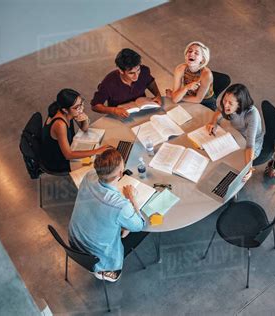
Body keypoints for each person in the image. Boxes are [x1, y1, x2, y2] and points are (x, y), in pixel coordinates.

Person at [69, 149, 145, 282]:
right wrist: (132, 198)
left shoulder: (89, 176)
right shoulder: (121, 206)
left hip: (74, 240)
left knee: (121, 225)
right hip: (96, 257)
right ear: (121, 173)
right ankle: (108, 270)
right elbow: (140, 225)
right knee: (142, 231)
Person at [41, 88, 110, 173]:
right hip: (58, 160)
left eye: (81, 103)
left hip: (67, 148)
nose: (81, 108)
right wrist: (96, 151)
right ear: (65, 110)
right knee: (94, 164)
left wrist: (85, 119)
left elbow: (84, 129)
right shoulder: (60, 124)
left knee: (96, 154)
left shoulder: (68, 110)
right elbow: (68, 155)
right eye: (77, 107)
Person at [206, 84, 264, 181]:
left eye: (230, 103)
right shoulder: (227, 105)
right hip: (236, 135)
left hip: (252, 142)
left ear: (240, 104)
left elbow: (250, 145)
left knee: (235, 163)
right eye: (225, 100)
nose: (225, 105)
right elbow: (219, 112)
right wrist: (213, 122)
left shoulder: (251, 114)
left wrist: (248, 168)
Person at [91, 48, 162, 118]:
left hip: (142, 113)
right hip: (120, 117)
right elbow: (95, 106)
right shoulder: (108, 83)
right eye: (131, 73)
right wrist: (114, 110)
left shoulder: (144, 71)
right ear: (121, 70)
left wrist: (158, 95)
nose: (136, 76)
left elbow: (150, 82)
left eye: (138, 70)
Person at [166, 41, 216, 111]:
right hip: (189, 96)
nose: (191, 54)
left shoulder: (206, 74)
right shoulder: (180, 68)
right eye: (189, 51)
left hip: (206, 102)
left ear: (202, 59)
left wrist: (176, 96)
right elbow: (175, 99)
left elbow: (198, 99)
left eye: (196, 53)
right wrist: (186, 88)